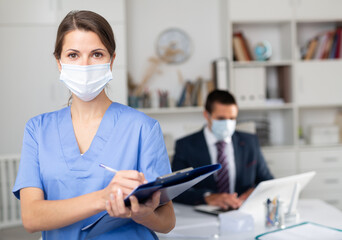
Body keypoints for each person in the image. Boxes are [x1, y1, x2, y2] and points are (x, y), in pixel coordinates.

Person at [12, 10, 175, 239]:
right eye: (73, 55)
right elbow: (31, 218)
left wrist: (142, 214)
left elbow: (167, 221)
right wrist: (104, 198)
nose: (85, 65)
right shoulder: (38, 130)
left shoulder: (143, 128)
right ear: (59, 62)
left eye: (97, 54)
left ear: (111, 61)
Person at [172, 89, 273, 210]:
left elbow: (268, 181)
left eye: (232, 118)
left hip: (241, 212)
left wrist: (255, 191)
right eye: (221, 118)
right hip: (202, 215)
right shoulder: (185, 145)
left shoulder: (250, 142)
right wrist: (208, 197)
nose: (227, 123)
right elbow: (176, 190)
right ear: (206, 115)